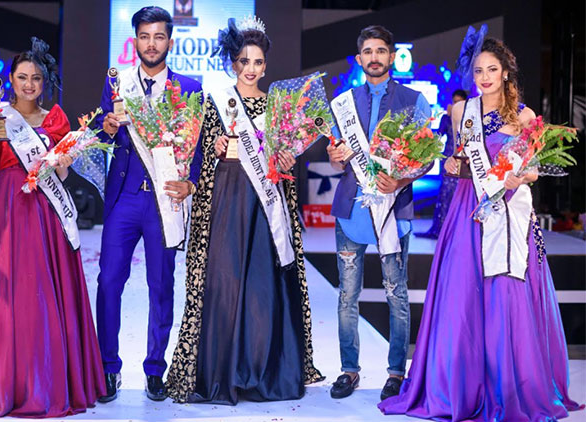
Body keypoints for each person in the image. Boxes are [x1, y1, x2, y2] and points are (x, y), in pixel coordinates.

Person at [379, 27, 583, 421]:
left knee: (505, 294)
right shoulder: (461, 112)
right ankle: (459, 386)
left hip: (508, 215)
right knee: (461, 295)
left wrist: (519, 177)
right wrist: (451, 164)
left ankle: (507, 385)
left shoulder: (524, 116)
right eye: (478, 71)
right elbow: (458, 161)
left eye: (492, 70)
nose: (484, 77)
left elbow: (534, 170)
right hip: (467, 212)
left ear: (506, 72)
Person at [164, 16, 323, 405]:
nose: (250, 68)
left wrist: (286, 158)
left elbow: (284, 157)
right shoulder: (214, 102)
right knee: (225, 281)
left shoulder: (278, 106)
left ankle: (261, 371)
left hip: (265, 205)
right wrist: (215, 147)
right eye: (243, 61)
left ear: (265, 65)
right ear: (233, 63)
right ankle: (223, 371)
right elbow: (198, 154)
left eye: (257, 62)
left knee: (262, 286)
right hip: (226, 199)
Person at [0, 38, 106, 418]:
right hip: (8, 208)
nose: (29, 84)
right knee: (8, 293)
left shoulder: (55, 119)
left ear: (44, 82)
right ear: (11, 80)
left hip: (46, 211)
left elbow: (63, 175)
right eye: (22, 77)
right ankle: (8, 381)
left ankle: (47, 381)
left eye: (36, 78)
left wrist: (62, 160)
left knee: (43, 292)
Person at [94, 6, 202, 402]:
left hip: (163, 200)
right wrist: (105, 127)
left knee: (161, 285)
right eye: (144, 36)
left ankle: (155, 369)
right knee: (109, 282)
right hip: (124, 197)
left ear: (170, 42)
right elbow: (100, 133)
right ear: (135, 41)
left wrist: (191, 182)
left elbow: (199, 146)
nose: (151, 44)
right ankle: (108, 368)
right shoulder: (118, 83)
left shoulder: (189, 88)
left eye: (158, 37)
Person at [326, 25, 431, 401]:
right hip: (351, 212)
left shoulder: (414, 100)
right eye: (368, 51)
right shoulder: (344, 103)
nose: (374, 57)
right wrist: (334, 156)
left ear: (392, 56)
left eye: (381, 51)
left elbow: (426, 158)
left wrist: (400, 181)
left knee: (396, 295)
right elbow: (337, 157)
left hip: (393, 210)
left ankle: (396, 373)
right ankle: (349, 370)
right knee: (347, 296)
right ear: (359, 59)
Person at [415, 88, 467, 239]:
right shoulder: (447, 118)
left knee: (460, 195)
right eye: (454, 102)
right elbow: (438, 135)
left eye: (459, 102)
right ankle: (441, 230)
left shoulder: (470, 118)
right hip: (448, 160)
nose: (456, 105)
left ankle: (458, 231)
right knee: (445, 195)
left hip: (463, 161)